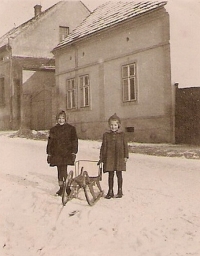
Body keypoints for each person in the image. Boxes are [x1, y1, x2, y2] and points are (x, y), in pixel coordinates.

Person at [46, 110, 78, 196]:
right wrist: (49, 153)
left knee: (64, 170)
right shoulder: (53, 130)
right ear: (56, 119)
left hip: (66, 153)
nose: (61, 120)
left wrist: (73, 152)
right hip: (56, 153)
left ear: (66, 119)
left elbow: (74, 141)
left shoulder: (71, 129)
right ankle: (61, 187)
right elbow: (50, 142)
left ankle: (67, 188)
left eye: (62, 118)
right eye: (59, 118)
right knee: (59, 171)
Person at [99, 113, 129, 199]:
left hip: (119, 157)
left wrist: (126, 156)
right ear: (109, 125)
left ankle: (120, 190)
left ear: (118, 125)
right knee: (110, 174)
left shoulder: (122, 135)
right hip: (109, 157)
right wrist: (101, 157)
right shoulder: (106, 135)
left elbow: (125, 146)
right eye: (111, 125)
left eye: (115, 125)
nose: (113, 127)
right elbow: (103, 147)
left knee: (119, 174)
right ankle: (110, 191)